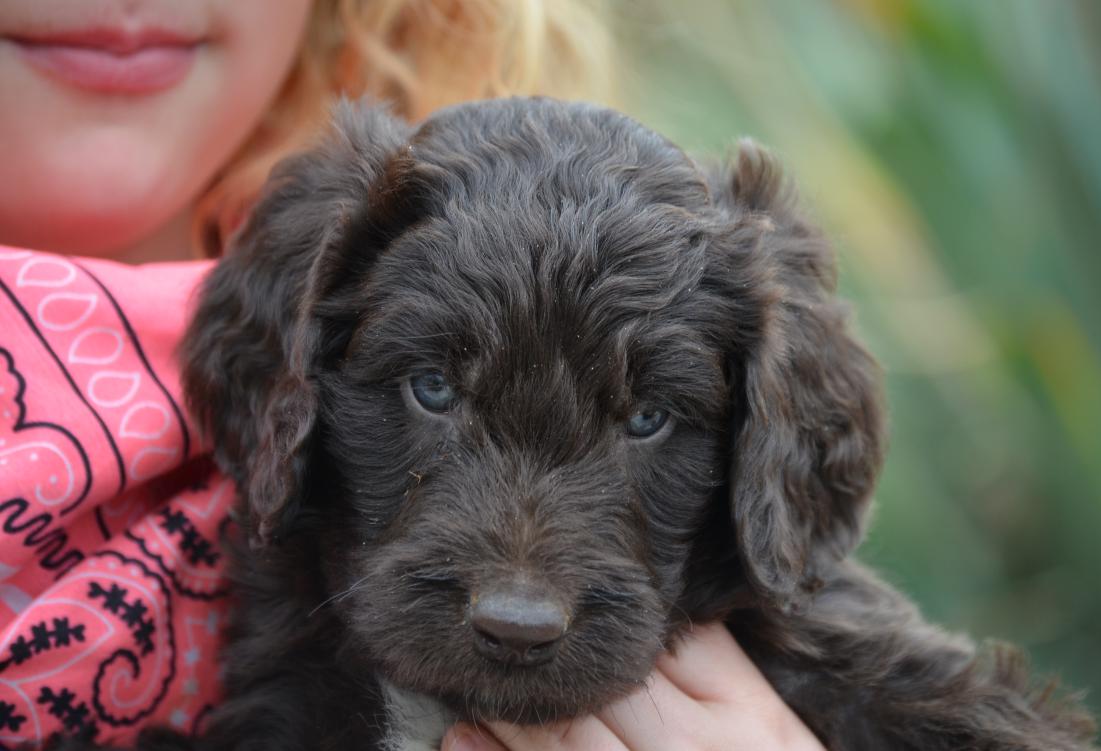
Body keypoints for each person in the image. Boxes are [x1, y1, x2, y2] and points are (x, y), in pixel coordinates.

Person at [0, 1, 823, 749]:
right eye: (433, 389)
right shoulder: (318, 294)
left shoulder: (777, 655)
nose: (521, 594)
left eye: (646, 418)